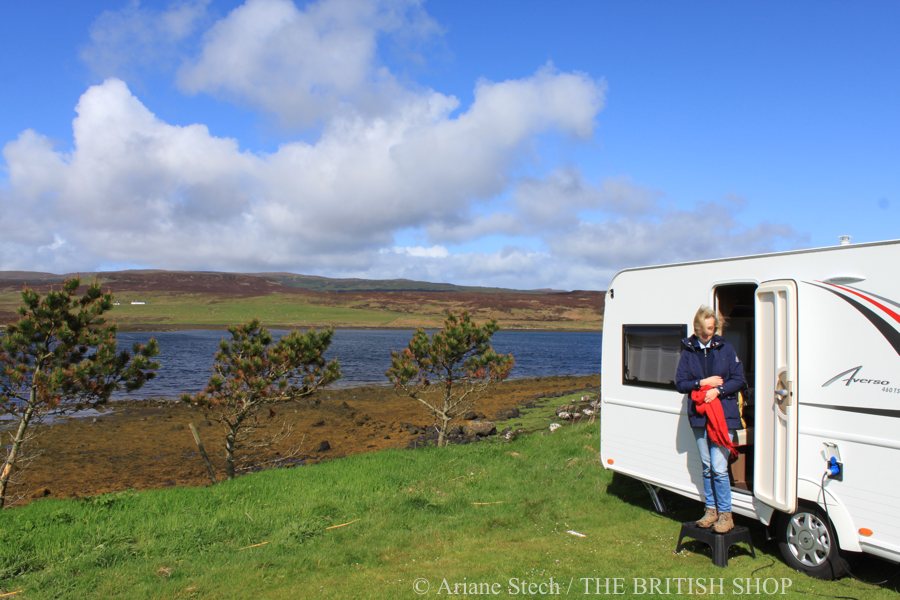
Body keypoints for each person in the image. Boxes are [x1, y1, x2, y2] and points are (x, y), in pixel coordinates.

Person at [675, 305, 746, 533]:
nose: (710, 333)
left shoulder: (725, 348)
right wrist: (702, 383)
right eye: (706, 329)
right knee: (707, 466)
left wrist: (719, 390)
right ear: (697, 328)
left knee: (718, 467)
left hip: (723, 416)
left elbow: (739, 379)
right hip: (699, 416)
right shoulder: (688, 351)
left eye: (713, 329)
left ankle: (726, 515)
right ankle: (710, 510)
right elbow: (680, 383)